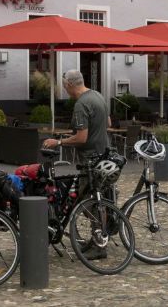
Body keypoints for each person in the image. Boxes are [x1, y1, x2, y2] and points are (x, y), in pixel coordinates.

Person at [42, 69, 111, 259]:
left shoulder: (81, 104)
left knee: (89, 203)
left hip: (90, 160)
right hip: (104, 155)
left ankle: (99, 244)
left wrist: (59, 142)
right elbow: (108, 122)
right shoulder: (97, 96)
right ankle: (98, 239)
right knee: (96, 201)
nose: (65, 90)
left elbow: (81, 137)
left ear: (70, 85)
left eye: (65, 86)